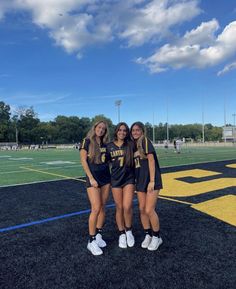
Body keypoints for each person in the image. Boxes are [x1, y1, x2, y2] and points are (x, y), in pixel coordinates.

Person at [80, 121, 111, 256]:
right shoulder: (86, 141)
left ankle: (98, 234)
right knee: (96, 208)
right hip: (93, 178)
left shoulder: (105, 143)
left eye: (103, 129)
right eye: (99, 127)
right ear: (94, 128)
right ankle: (91, 240)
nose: (101, 130)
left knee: (103, 207)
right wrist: (91, 178)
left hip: (106, 178)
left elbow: (110, 160)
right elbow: (83, 161)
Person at [131, 121, 163, 251]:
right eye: (133, 130)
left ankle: (157, 237)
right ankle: (148, 235)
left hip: (151, 180)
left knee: (149, 210)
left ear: (142, 131)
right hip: (140, 181)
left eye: (137, 130)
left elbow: (151, 160)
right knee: (142, 210)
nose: (135, 132)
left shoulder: (145, 141)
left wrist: (152, 180)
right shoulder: (134, 145)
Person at [107, 122, 135, 249]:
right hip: (116, 180)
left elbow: (141, 153)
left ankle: (128, 230)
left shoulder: (130, 144)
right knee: (119, 207)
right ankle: (121, 233)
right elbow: (104, 163)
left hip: (128, 179)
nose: (122, 132)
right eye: (120, 130)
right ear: (116, 131)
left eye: (124, 130)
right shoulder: (109, 146)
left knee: (127, 206)